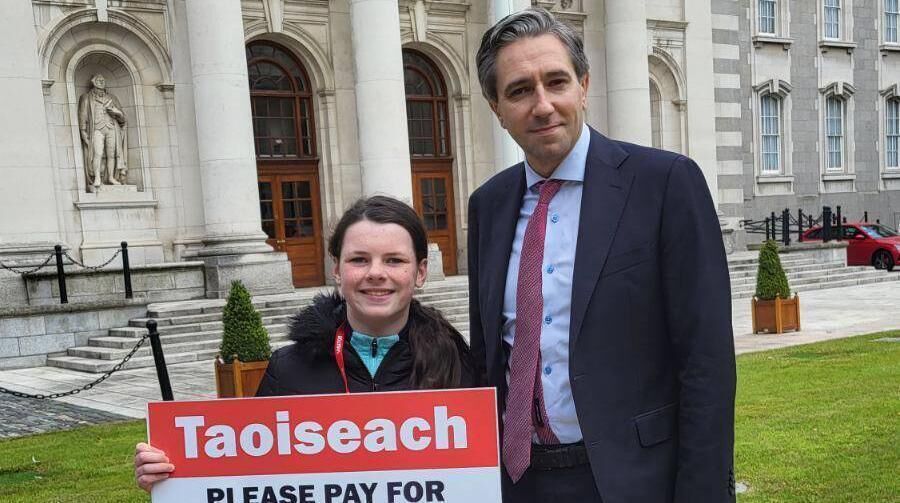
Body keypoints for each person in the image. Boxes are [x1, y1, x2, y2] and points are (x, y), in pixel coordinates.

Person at [468, 7, 736, 502]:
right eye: (520, 90)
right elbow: (487, 355)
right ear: (496, 107)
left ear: (584, 86)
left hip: (631, 482)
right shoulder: (488, 205)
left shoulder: (665, 184)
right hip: (519, 483)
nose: (543, 105)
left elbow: (707, 363)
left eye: (556, 82)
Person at [134, 195, 476, 492]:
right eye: (359, 259)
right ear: (337, 270)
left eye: (394, 260)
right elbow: (246, 478)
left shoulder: (457, 362)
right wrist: (176, 478)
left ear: (420, 272)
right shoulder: (288, 369)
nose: (375, 272)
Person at [77, 73, 128, 192]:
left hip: (111, 128)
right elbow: (83, 115)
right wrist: (83, 131)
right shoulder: (87, 97)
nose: (101, 81)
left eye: (103, 80)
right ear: (93, 82)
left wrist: (117, 112)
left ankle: (111, 177)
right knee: (98, 153)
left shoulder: (112, 98)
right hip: (97, 129)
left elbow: (123, 119)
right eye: (98, 80)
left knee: (111, 154)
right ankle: (97, 177)